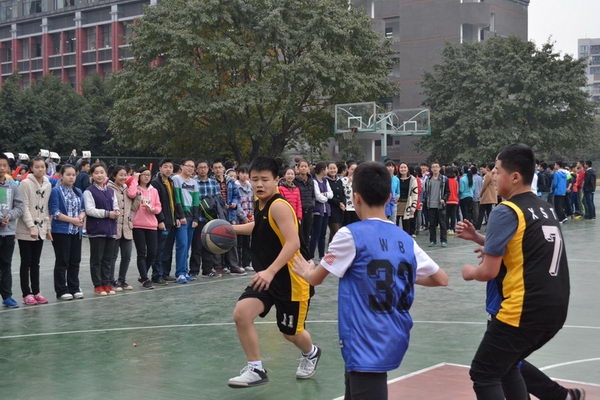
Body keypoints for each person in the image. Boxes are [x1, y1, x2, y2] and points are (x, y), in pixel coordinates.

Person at [291, 161, 448, 400]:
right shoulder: (404, 238)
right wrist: (398, 274)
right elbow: (441, 278)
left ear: (356, 198)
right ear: (389, 198)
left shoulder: (350, 234)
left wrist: (305, 270)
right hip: (394, 332)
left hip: (364, 336)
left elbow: (315, 278)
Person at [459, 143, 570, 400]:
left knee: (484, 373)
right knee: (507, 365)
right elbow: (525, 246)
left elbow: (488, 271)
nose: (493, 175)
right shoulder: (545, 208)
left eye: (497, 170)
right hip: (555, 308)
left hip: (523, 309)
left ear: (515, 177)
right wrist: (480, 239)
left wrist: (470, 272)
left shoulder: (505, 210)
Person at [228, 156, 320, 388]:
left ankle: (311, 352)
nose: (259, 184)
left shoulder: (279, 205)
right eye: (255, 179)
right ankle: (256, 369)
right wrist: (231, 229)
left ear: (276, 180)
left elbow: (293, 243)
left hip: (292, 279)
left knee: (290, 333)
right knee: (241, 314)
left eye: (265, 179)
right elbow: (260, 226)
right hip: (268, 276)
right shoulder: (260, 203)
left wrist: (270, 271)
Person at [16, 156, 52, 305]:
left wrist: (48, 228)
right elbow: (23, 207)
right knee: (26, 262)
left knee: (36, 263)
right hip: (26, 230)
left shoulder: (48, 184)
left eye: (42, 166)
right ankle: (26, 293)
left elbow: (46, 207)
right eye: (37, 167)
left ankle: (36, 291)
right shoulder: (25, 184)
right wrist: (31, 226)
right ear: (31, 168)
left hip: (41, 229)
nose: (40, 169)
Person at [49, 164, 86, 300]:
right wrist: (73, 220)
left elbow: (83, 209)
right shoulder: (56, 191)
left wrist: (81, 216)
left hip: (76, 232)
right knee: (62, 261)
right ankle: (61, 290)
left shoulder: (78, 191)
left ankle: (74, 287)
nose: (71, 177)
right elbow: (55, 212)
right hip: (61, 232)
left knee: (75, 260)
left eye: (73, 175)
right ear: (61, 176)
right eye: (68, 174)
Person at [84, 162, 120, 296]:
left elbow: (115, 206)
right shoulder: (89, 191)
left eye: (102, 172)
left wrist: (116, 211)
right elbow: (90, 210)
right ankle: (98, 285)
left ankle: (106, 283)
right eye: (96, 173)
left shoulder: (111, 191)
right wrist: (108, 214)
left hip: (110, 230)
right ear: (92, 175)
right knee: (96, 259)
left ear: (106, 174)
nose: (99, 175)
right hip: (97, 230)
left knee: (107, 259)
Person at [128, 167, 162, 289]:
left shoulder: (154, 190)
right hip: (138, 224)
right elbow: (131, 194)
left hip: (151, 224)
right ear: (139, 175)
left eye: (148, 174)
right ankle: (144, 278)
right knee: (141, 252)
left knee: (153, 252)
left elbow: (158, 207)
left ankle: (143, 275)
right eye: (144, 174)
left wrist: (152, 209)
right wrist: (134, 179)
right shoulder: (135, 188)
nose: (147, 177)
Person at [151, 159, 184, 284]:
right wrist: (160, 220)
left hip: (171, 221)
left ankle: (165, 273)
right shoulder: (155, 183)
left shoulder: (171, 181)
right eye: (165, 167)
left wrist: (177, 217)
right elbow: (156, 203)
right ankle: (157, 275)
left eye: (170, 167)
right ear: (160, 168)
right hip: (162, 222)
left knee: (168, 249)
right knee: (160, 250)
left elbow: (174, 202)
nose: (168, 169)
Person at [191, 160, 222, 278]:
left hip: (211, 218)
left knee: (208, 245)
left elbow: (218, 199)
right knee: (197, 245)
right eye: (200, 167)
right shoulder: (193, 182)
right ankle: (193, 271)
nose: (203, 169)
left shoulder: (214, 183)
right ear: (196, 170)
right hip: (198, 218)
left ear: (208, 169)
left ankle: (207, 270)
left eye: (205, 167)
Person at [0, 153, 24, 308]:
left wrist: (9, 216)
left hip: (8, 233)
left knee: (6, 265)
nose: (2, 168)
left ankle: (7, 296)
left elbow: (20, 207)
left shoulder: (13, 185)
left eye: (4, 165)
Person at [171, 158, 200, 283]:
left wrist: (195, 218)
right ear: (182, 166)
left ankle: (185, 271)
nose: (190, 168)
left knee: (187, 246)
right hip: (182, 217)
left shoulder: (194, 182)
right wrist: (181, 216)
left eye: (192, 166)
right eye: (188, 165)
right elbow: (177, 198)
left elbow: (196, 201)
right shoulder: (176, 179)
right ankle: (180, 273)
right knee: (182, 245)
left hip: (191, 218)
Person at [107, 165, 134, 291]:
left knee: (127, 256)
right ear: (114, 176)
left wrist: (137, 195)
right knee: (112, 256)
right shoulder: (109, 188)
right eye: (121, 175)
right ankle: (110, 281)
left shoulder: (128, 189)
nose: (124, 177)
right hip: (114, 228)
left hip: (127, 228)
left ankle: (122, 280)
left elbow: (134, 208)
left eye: (125, 175)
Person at [309, 162, 333, 260]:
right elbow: (318, 197)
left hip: (325, 210)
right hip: (317, 211)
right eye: (326, 168)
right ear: (322, 170)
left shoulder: (325, 181)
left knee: (323, 234)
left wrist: (325, 195)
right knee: (315, 234)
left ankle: (321, 255)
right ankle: (311, 256)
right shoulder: (314, 181)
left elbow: (331, 194)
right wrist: (325, 197)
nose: (327, 170)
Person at [423, 162, 449, 247]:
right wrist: (425, 200)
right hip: (430, 205)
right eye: (433, 167)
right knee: (432, 224)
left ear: (439, 168)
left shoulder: (444, 179)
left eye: (437, 167)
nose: (435, 168)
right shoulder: (428, 180)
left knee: (442, 224)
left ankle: (443, 241)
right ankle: (432, 241)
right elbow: (425, 192)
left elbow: (447, 192)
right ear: (431, 169)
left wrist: (444, 199)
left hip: (441, 205)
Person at [294, 159, 315, 247]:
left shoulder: (311, 180)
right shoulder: (295, 181)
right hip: (299, 210)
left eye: (305, 166)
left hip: (309, 210)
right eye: (301, 166)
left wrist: (312, 205)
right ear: (298, 168)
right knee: (299, 233)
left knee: (307, 234)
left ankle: (306, 253)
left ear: (308, 168)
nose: (303, 168)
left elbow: (313, 195)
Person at [326, 161, 345, 243]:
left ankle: (331, 248)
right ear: (327, 169)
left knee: (335, 234)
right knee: (336, 232)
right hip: (331, 209)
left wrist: (343, 202)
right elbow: (328, 196)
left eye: (334, 168)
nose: (332, 170)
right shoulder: (326, 181)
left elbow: (343, 193)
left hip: (340, 209)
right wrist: (338, 203)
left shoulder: (339, 181)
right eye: (330, 168)